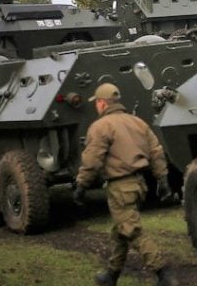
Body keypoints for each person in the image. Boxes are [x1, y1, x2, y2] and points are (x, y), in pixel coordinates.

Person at [73, 83, 178, 286]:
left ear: (102, 103)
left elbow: (92, 161)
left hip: (120, 186)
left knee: (132, 231)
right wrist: (163, 180)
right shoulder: (137, 122)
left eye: (97, 103)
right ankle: (111, 275)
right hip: (139, 185)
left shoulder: (100, 126)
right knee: (120, 230)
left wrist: (81, 186)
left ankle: (163, 272)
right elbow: (156, 152)